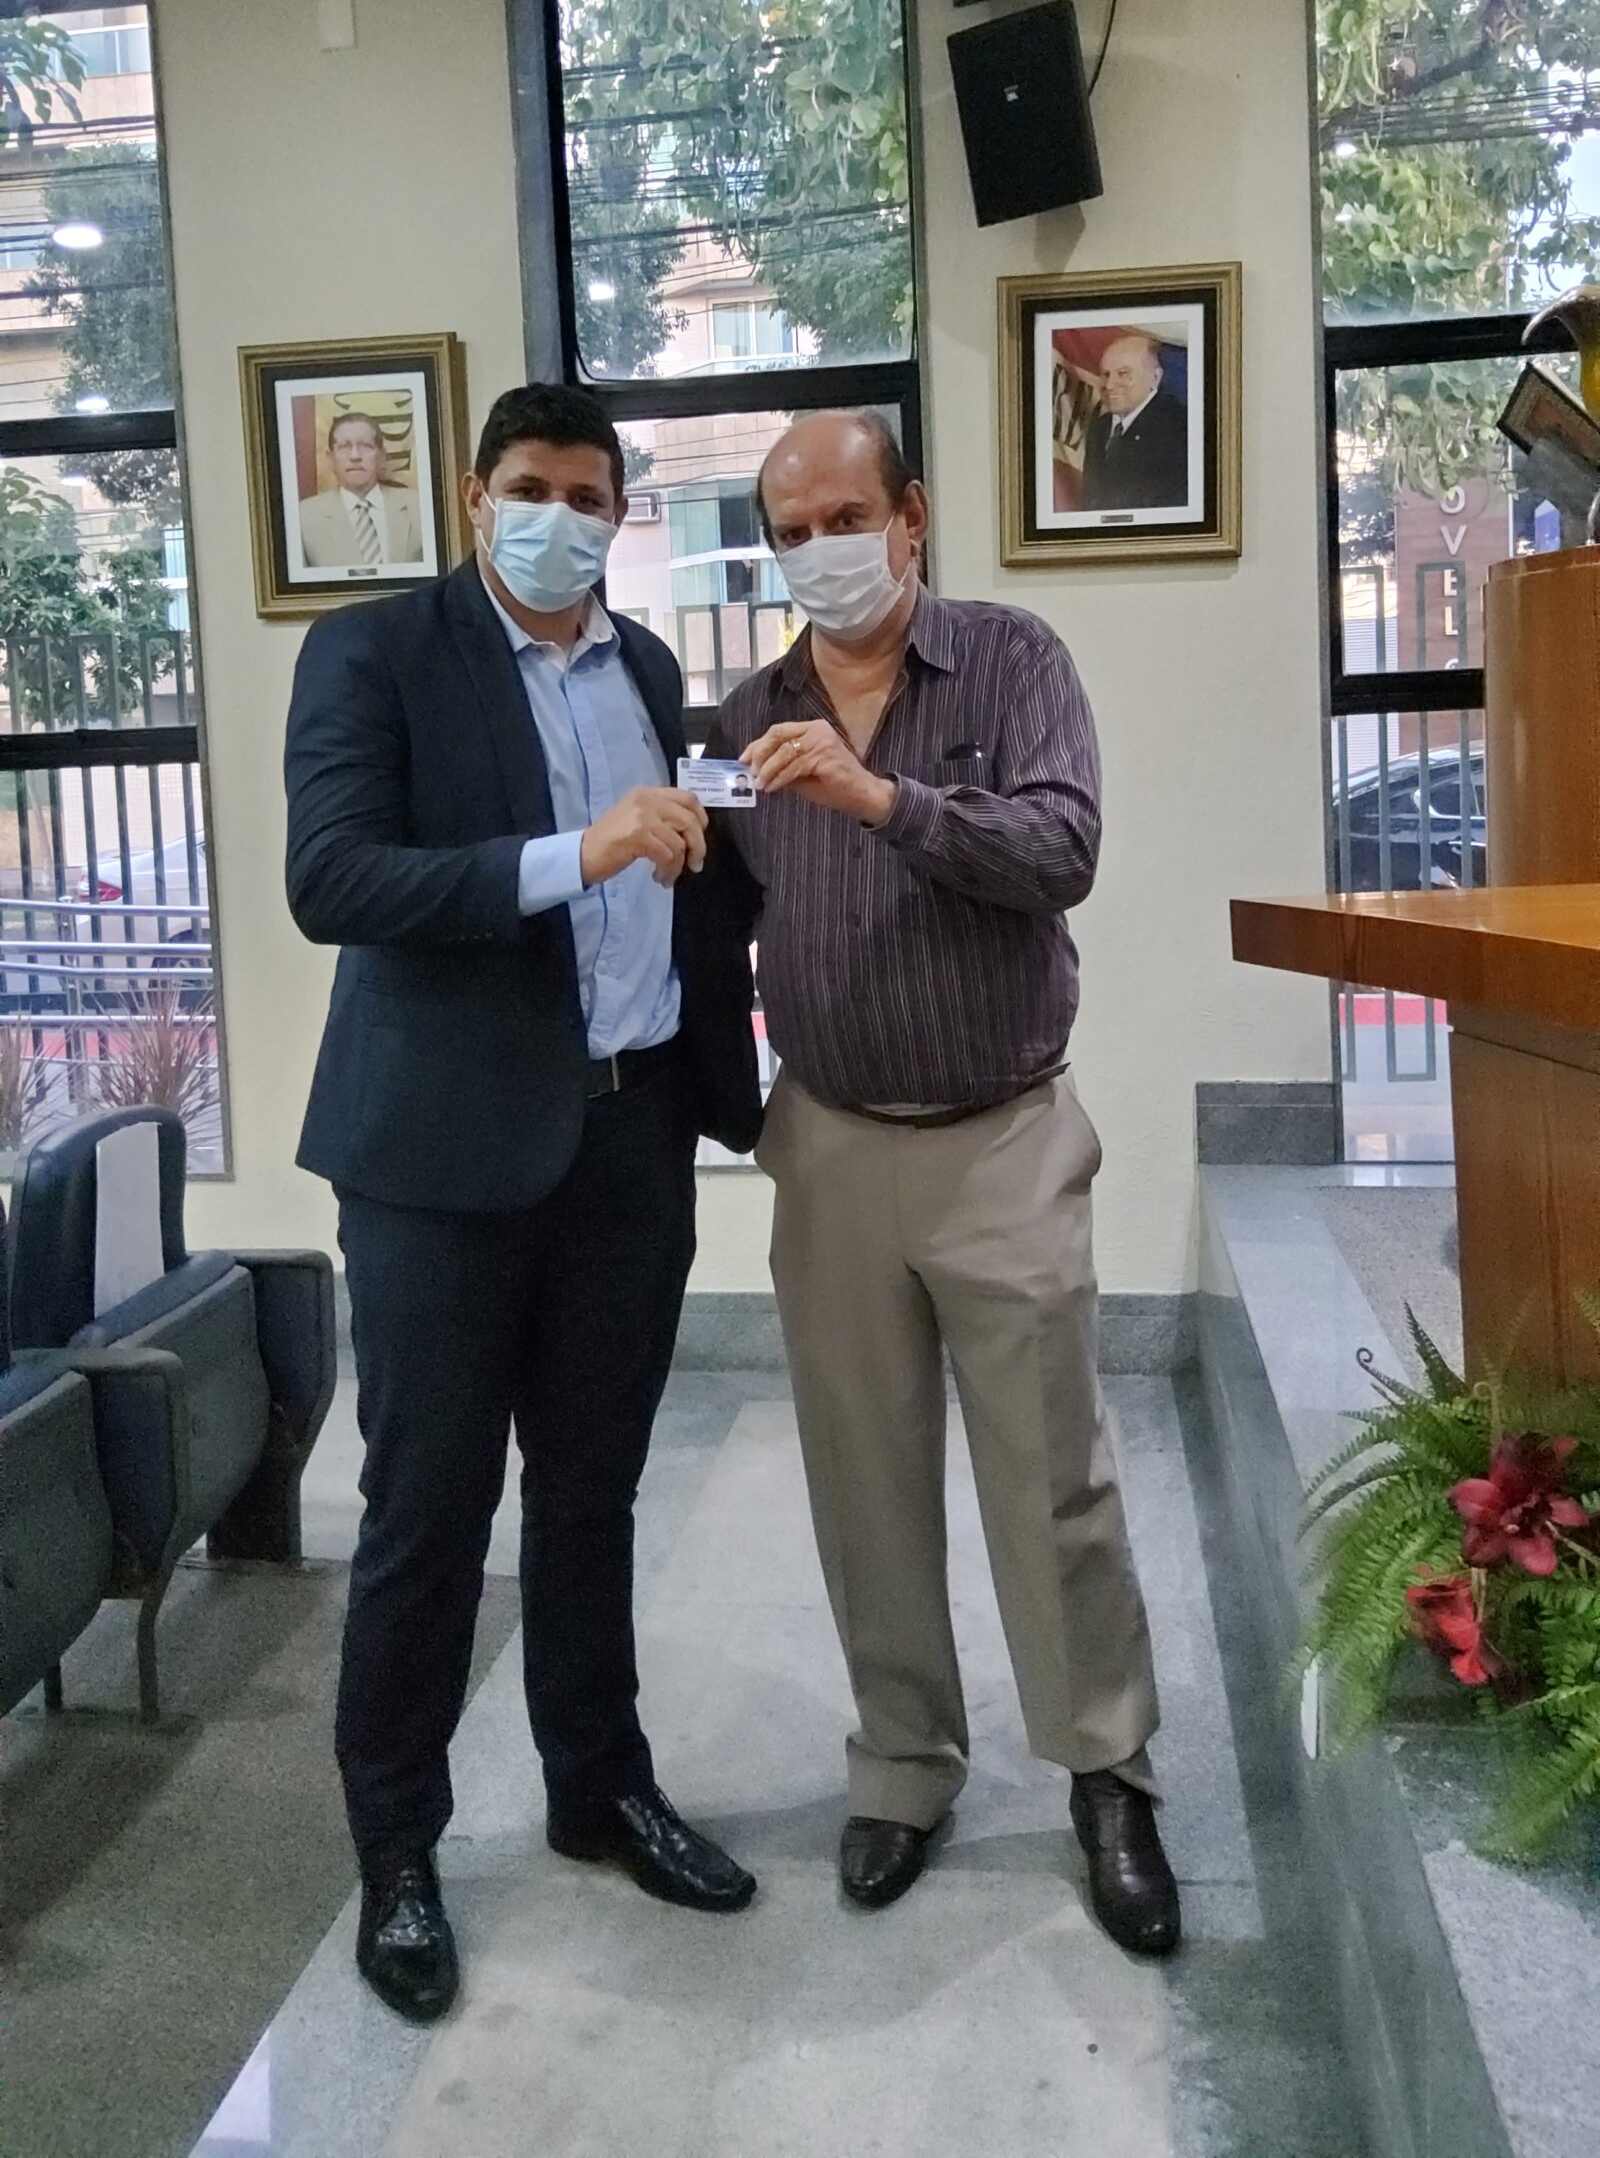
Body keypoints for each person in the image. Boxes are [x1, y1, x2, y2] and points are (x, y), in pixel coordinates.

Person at [285, 381, 763, 2023]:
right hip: (437, 1166)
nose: (561, 517)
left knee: (592, 1494)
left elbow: (687, 874)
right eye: (532, 487)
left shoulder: (646, 669)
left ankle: (598, 1786)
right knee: (426, 1515)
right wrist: (581, 851)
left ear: (621, 513)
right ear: (476, 495)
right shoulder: (376, 654)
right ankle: (398, 1854)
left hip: (628, 1141)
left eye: (590, 494)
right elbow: (333, 878)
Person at [706, 409, 1179, 1958]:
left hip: (998, 1136)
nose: (821, 550)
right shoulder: (749, 712)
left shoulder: (1011, 661)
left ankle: (1107, 1771)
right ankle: (903, 1765)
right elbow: (724, 921)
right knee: (864, 1476)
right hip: (830, 1139)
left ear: (911, 517)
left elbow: (1062, 849)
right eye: (791, 532)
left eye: (848, 517)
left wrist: (880, 799)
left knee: (1052, 1472)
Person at [297, 410, 425, 567]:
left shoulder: (418, 507)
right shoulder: (304, 517)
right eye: (344, 446)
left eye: (365, 446)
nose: (355, 456)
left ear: (382, 456)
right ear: (331, 459)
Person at [1078, 333, 1189, 513]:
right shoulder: (1100, 426)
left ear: (1155, 377)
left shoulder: (1178, 427)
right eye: (1105, 374)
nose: (1109, 385)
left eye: (1123, 373)